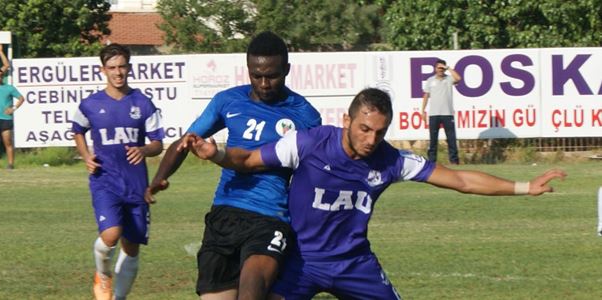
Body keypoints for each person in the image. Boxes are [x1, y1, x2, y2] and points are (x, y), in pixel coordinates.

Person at [180, 88, 566, 299]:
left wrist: (523, 187)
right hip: (302, 262)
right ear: (347, 120)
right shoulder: (309, 143)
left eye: (380, 131)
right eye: (365, 128)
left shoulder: (391, 160)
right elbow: (248, 159)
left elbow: (460, 180)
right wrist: (215, 154)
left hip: (354, 265)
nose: (371, 139)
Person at [145, 31, 321, 299]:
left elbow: (318, 170)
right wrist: (160, 177)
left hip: (270, 217)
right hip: (224, 214)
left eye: (272, 75)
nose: (263, 83)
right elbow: (186, 141)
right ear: (247, 69)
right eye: (256, 75)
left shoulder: (305, 115)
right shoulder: (228, 101)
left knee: (252, 292)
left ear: (286, 69)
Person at [70, 43, 164, 300]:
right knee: (111, 234)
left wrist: (144, 150)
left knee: (131, 248)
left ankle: (118, 298)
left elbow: (158, 144)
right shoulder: (90, 104)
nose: (118, 72)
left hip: (136, 185)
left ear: (129, 68)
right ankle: (102, 275)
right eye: (112, 67)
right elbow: (77, 129)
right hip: (105, 181)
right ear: (103, 70)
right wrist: (87, 155)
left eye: (122, 66)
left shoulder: (143, 103)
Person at [421, 59, 462, 164]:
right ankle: (431, 162)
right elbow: (426, 95)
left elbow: (458, 78)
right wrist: (423, 111)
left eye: (442, 68)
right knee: (433, 139)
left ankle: (454, 161)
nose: (440, 70)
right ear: (435, 69)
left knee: (451, 139)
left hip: (447, 113)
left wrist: (448, 68)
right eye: (438, 68)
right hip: (434, 114)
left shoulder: (448, 79)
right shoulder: (430, 80)